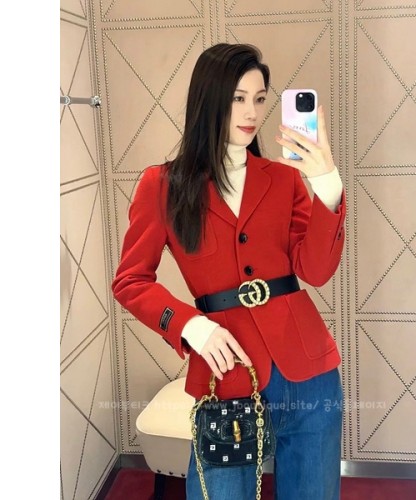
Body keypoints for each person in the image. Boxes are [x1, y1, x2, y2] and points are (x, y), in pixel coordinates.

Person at [112, 43, 346, 500]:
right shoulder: (162, 185)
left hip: (307, 369)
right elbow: (130, 280)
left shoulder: (283, 178)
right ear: (210, 98)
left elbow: (316, 271)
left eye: (259, 99)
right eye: (238, 98)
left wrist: (327, 185)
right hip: (227, 372)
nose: (251, 112)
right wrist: (191, 326)